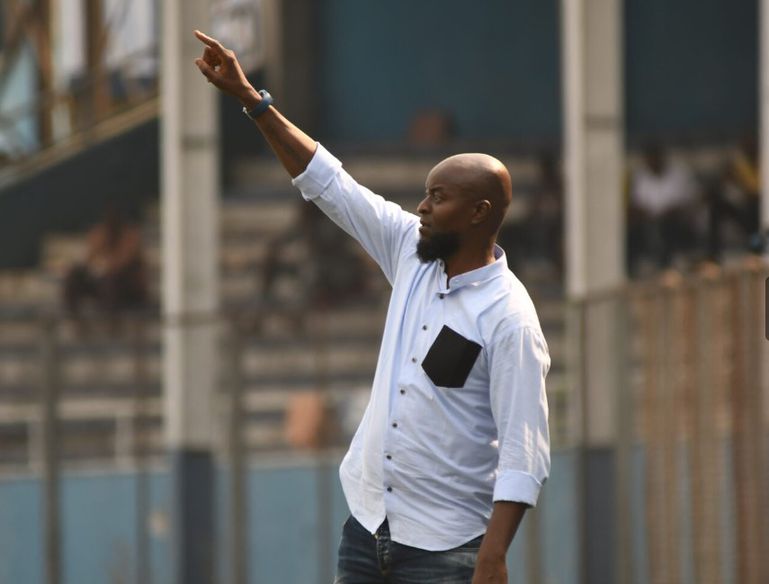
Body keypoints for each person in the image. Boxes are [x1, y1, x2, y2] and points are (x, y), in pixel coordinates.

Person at [194, 30, 550, 584]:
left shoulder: (509, 317)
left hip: (446, 549)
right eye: (427, 193)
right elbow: (329, 183)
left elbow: (525, 453)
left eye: (439, 197)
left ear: (480, 212)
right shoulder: (410, 250)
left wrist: (493, 556)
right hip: (367, 530)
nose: (422, 206)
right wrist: (252, 101)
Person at [62, 205, 148, 324]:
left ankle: (111, 323)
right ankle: (75, 320)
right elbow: (89, 259)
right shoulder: (100, 233)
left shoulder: (130, 235)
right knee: (75, 276)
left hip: (126, 285)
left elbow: (122, 262)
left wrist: (105, 265)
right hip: (102, 280)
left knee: (110, 281)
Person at [627, 143, 700, 275]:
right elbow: (636, 205)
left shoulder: (679, 173)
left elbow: (691, 201)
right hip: (649, 223)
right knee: (633, 231)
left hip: (676, 223)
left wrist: (672, 211)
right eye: (650, 158)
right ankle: (635, 270)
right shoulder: (641, 176)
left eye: (656, 157)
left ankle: (668, 267)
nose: (653, 161)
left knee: (668, 226)